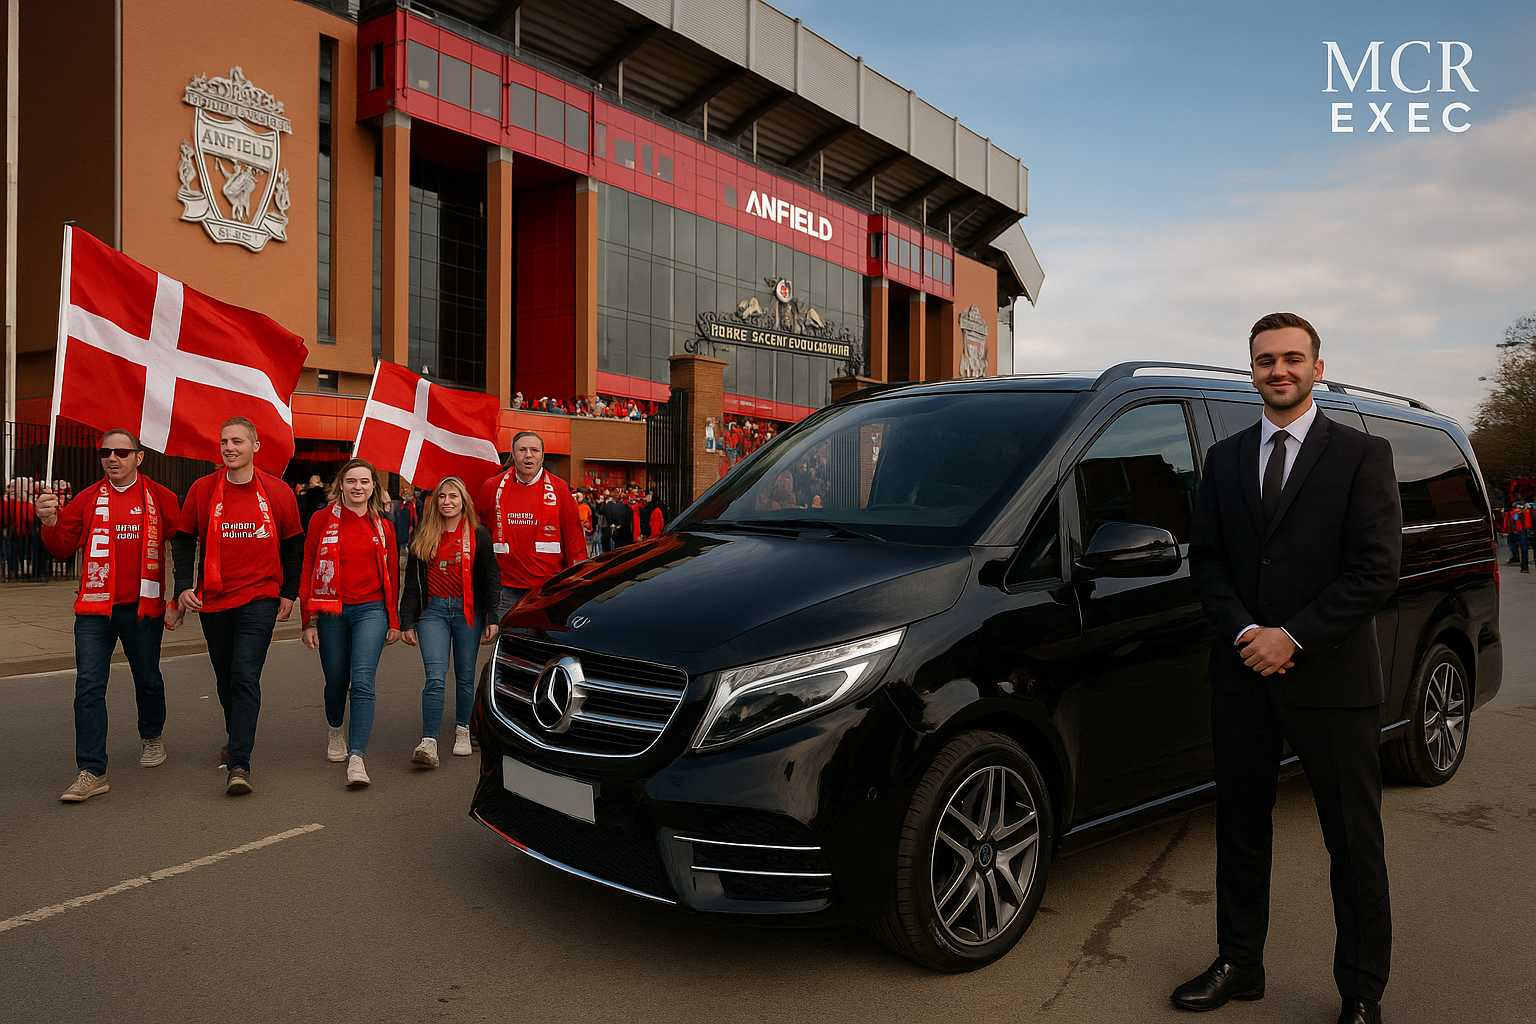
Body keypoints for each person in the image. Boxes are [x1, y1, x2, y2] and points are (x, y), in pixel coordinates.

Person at [1175, 313, 1401, 1024]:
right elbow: (1206, 559)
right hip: (1241, 675)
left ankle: (1361, 993)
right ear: (1251, 371)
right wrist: (1246, 630)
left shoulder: (1364, 456)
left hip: (1332, 683)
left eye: (1293, 358)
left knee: (1353, 846)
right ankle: (1240, 963)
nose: (1279, 369)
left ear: (1317, 368)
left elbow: (1375, 572)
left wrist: (1292, 638)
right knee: (1241, 831)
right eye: (1266, 360)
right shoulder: (1226, 458)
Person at [37, 430, 181, 803]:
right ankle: (91, 770)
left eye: (121, 452)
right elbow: (62, 548)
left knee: (147, 678)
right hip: (94, 611)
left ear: (139, 457)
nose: (112, 458)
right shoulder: (87, 499)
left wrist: (183, 591)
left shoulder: (161, 498)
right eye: (105, 453)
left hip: (142, 610)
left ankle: (151, 735)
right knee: (88, 686)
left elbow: (183, 538)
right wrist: (49, 523)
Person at [170, 417, 303, 796]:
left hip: (259, 598)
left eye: (238, 441)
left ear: (255, 447)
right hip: (213, 600)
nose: (229, 447)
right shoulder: (203, 488)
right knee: (226, 679)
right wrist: (182, 588)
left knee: (245, 676)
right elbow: (182, 539)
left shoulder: (278, 492)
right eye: (224, 441)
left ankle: (240, 762)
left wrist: (289, 593)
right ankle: (236, 736)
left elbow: (293, 545)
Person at [299, 458, 400, 787]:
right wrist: (308, 621)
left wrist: (394, 619)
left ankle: (357, 757)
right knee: (336, 681)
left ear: (374, 487)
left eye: (365, 481)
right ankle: (335, 730)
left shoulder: (383, 527)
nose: (358, 487)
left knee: (363, 681)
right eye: (351, 481)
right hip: (331, 612)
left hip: (371, 611)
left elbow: (392, 577)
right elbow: (309, 567)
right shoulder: (320, 520)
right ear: (340, 485)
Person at [399, 476, 500, 765]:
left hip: (469, 612)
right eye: (442, 497)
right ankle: (428, 741)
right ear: (435, 502)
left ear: (463, 500)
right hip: (433, 613)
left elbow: (491, 578)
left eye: (453, 496)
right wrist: (407, 620)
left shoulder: (478, 534)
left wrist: (492, 615)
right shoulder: (425, 534)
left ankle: (463, 730)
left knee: (466, 677)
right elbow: (412, 583)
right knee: (435, 677)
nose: (447, 502)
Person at [476, 431, 585, 618]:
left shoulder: (560, 489)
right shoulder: (492, 487)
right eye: (522, 450)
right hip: (504, 590)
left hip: (547, 590)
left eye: (534, 450)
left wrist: (574, 584)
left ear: (542, 456)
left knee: (539, 644)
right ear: (512, 455)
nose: (528, 455)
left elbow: (574, 540)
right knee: (506, 644)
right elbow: (480, 534)